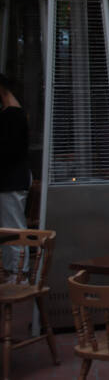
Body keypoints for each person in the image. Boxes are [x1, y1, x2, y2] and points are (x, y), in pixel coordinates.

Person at [0, 74, 31, 279]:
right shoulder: (16, 113)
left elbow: (7, 151)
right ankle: (15, 270)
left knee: (13, 227)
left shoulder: (11, 115)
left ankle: (20, 273)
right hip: (14, 178)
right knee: (10, 226)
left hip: (11, 180)